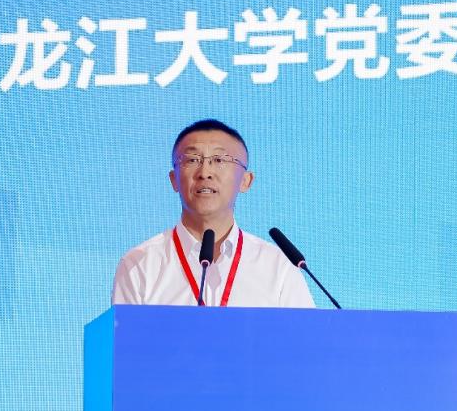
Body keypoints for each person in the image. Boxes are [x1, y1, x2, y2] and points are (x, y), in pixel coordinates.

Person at [112, 119, 316, 307]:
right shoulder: (139, 265)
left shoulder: (279, 266)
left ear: (246, 181)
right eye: (192, 160)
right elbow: (124, 336)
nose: (205, 173)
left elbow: (306, 335)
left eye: (219, 160)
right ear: (174, 180)